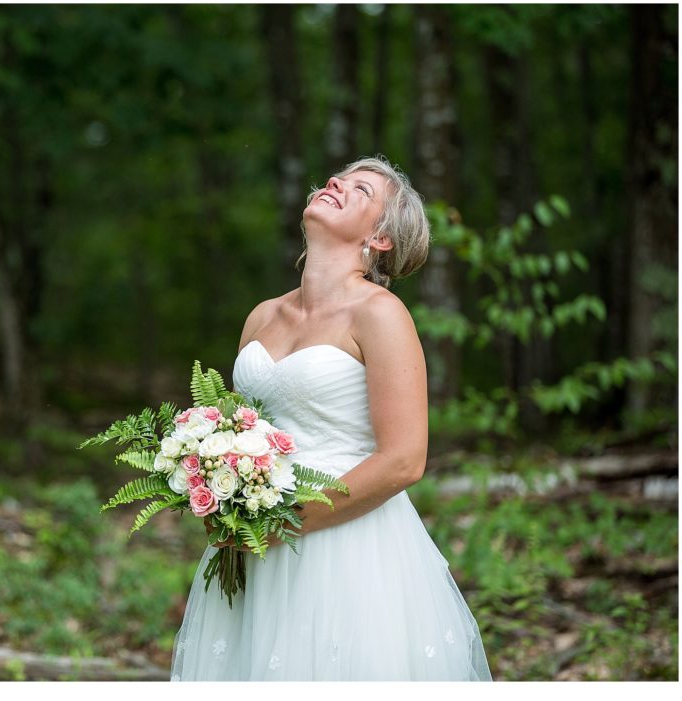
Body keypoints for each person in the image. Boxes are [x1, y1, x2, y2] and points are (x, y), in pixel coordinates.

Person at [169, 155, 492, 681]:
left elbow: (405, 460)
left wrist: (286, 522)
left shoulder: (380, 315)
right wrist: (210, 479)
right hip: (252, 548)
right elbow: (237, 429)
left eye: (361, 190)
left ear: (381, 239)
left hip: (345, 548)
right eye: (338, 178)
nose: (337, 183)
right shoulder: (262, 316)